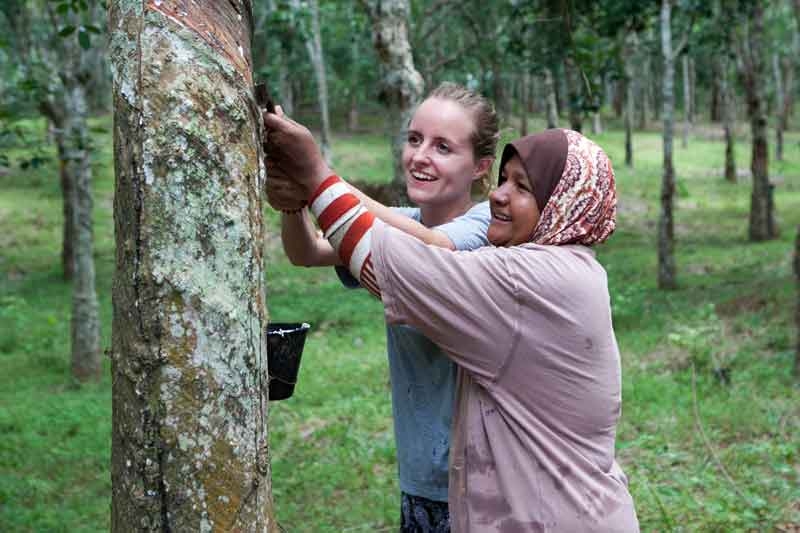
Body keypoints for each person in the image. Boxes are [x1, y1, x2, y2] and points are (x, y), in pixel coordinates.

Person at [264, 114, 639, 531]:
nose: (498, 195)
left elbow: (380, 261)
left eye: (523, 187)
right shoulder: (566, 270)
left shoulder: (532, 278)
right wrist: (305, 190)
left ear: (562, 204)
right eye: (504, 180)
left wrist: (314, 174)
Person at [267, 83, 499, 532]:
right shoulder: (405, 221)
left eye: (443, 147)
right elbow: (308, 252)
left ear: (480, 167)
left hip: (479, 483)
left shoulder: (487, 226)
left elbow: (435, 250)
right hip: (420, 476)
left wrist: (317, 176)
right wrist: (293, 202)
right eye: (415, 139)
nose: (420, 156)